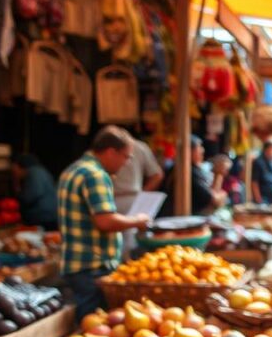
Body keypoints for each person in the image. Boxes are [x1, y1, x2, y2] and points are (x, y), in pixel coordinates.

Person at [57, 126, 151, 321]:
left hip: (77, 263)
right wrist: (137, 221)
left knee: (87, 323)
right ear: (110, 152)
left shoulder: (72, 170)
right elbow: (105, 221)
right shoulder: (95, 175)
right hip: (94, 265)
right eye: (126, 157)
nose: (126, 163)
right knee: (94, 323)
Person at [112, 135, 164, 214]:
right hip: (115, 200)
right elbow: (157, 175)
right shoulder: (140, 147)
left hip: (132, 199)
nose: (125, 163)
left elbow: (157, 175)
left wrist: (142, 195)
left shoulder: (139, 147)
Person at [11, 154, 58, 231]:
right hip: (49, 215)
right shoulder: (40, 171)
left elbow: (29, 197)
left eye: (14, 169)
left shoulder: (34, 173)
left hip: (43, 217)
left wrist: (16, 184)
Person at [188, 136, 228, 214]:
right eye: (199, 147)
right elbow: (214, 200)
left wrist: (218, 174)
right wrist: (223, 195)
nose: (202, 151)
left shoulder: (197, 170)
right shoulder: (190, 172)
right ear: (189, 151)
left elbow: (212, 194)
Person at [251, 141, 272, 205]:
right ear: (267, 149)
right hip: (264, 199)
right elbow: (254, 182)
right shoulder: (258, 162)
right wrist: (258, 198)